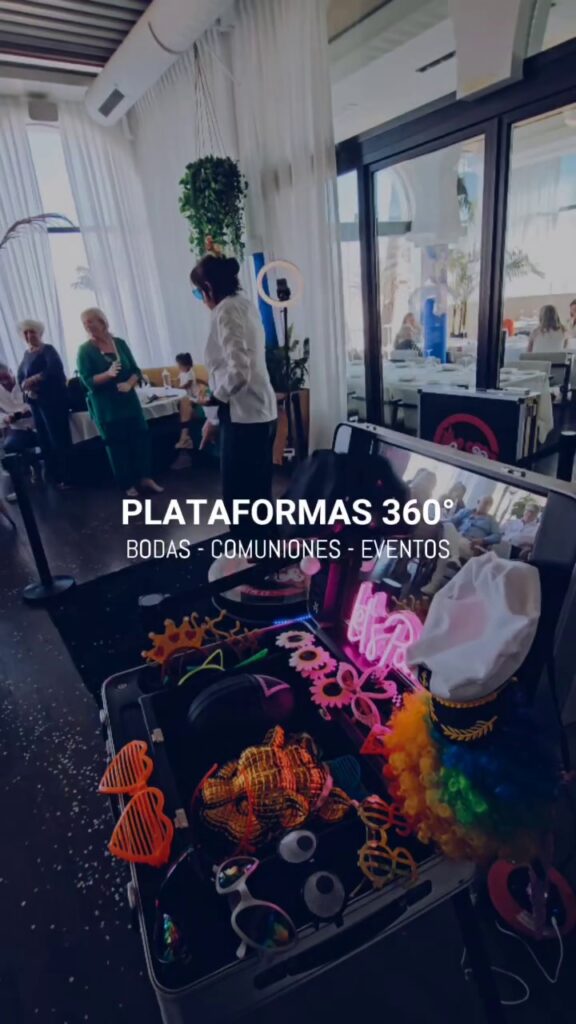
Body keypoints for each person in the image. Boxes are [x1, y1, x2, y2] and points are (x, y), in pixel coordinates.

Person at [190, 254, 277, 522]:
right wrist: (214, 419)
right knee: (257, 495)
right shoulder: (244, 304)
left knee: (239, 499)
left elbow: (238, 371)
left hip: (244, 416)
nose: (201, 299)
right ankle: (263, 544)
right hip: (258, 410)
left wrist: (214, 400)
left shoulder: (225, 310)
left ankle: (250, 545)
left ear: (208, 287)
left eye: (198, 292)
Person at [76, 308, 162, 496]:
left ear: (102, 321)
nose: (87, 326)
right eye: (84, 323)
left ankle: (146, 477)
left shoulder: (120, 344)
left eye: (91, 321)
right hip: (106, 407)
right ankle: (127, 484)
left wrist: (130, 384)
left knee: (141, 439)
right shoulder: (85, 350)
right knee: (117, 446)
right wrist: (107, 374)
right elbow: (87, 381)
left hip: (129, 402)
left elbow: (136, 370)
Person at [16, 319, 72, 488]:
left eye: (32, 331)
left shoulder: (48, 349)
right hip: (36, 402)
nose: (29, 335)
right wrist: (25, 386)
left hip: (53, 401)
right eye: (26, 332)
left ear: (40, 333)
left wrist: (34, 379)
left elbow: (54, 369)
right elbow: (20, 377)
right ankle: (53, 476)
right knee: (44, 439)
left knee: (58, 438)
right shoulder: (26, 354)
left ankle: (67, 477)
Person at [172, 352, 203, 464]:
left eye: (180, 365)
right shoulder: (182, 373)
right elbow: (179, 380)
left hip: (192, 398)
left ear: (186, 365)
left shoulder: (190, 373)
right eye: (178, 365)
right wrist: (174, 382)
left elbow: (187, 385)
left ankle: (184, 439)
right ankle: (184, 439)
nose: (179, 367)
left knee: (184, 402)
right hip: (185, 397)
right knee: (179, 405)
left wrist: (178, 388)